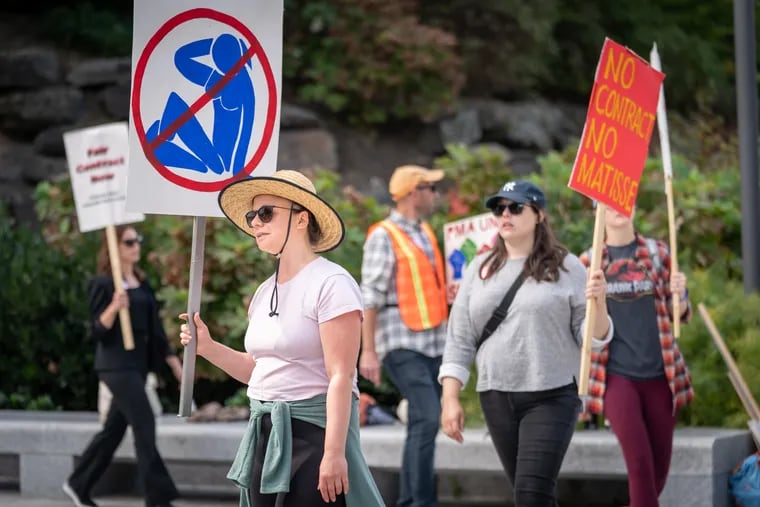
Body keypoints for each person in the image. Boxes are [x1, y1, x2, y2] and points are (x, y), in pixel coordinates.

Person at [179, 170, 384, 507]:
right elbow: (258, 371)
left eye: (266, 213)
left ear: (302, 219)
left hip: (312, 433)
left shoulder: (332, 282)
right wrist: (209, 348)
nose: (255, 223)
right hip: (263, 430)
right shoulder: (263, 292)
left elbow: (341, 377)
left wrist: (333, 454)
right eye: (251, 216)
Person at [438, 180, 613, 507]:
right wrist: (450, 398)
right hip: (496, 396)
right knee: (531, 495)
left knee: (531, 494)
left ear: (539, 215)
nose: (505, 214)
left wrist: (600, 302)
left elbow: (593, 339)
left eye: (516, 207)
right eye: (498, 208)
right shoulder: (480, 267)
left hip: (552, 395)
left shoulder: (568, 266)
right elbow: (459, 337)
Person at [579, 207, 693, 507]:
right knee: (640, 466)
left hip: (661, 375)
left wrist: (680, 296)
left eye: (624, 200)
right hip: (616, 378)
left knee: (658, 470)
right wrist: (593, 299)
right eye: (609, 203)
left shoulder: (658, 253)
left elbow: (677, 314)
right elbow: (585, 332)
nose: (619, 209)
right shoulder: (589, 263)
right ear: (597, 212)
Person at [63, 225, 183, 507]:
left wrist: (173, 362)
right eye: (129, 242)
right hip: (116, 366)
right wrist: (114, 307)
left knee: (113, 430)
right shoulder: (103, 284)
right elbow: (95, 331)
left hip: (138, 365)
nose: (136, 245)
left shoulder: (142, 282)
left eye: (137, 240)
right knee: (144, 422)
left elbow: (155, 330)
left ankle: (79, 483)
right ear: (114, 248)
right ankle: (158, 497)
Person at [359, 164, 448, 507]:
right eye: (431, 188)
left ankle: (411, 500)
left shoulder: (424, 231)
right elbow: (370, 296)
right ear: (414, 192)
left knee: (423, 424)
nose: (436, 195)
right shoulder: (384, 234)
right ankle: (420, 503)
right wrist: (369, 351)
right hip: (400, 342)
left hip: (433, 343)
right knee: (426, 418)